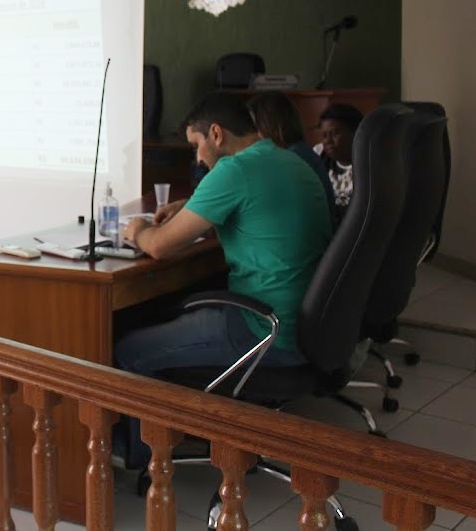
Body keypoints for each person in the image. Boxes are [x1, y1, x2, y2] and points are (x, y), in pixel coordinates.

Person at [114, 92, 332, 467]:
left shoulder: (235, 170)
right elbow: (255, 212)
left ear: (216, 134)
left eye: (196, 145)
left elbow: (160, 246)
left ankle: (137, 458)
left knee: (128, 350)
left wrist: (137, 231)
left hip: (261, 328)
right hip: (307, 324)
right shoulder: (290, 160)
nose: (198, 158)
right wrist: (191, 207)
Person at [246, 91, 336, 216]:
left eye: (254, 128)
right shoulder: (300, 151)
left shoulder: (291, 158)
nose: (250, 135)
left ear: (268, 126)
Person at [312, 103, 363, 221]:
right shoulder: (319, 156)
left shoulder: (369, 164)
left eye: (334, 133)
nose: (328, 141)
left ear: (355, 133)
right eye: (324, 135)